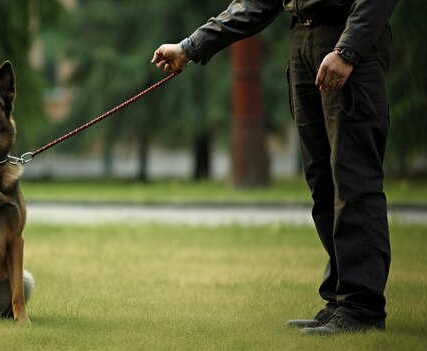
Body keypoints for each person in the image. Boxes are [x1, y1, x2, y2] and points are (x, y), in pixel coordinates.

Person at [152, 0, 398, 335]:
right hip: (303, 41)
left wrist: (348, 49)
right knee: (323, 184)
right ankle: (340, 301)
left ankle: (362, 307)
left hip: (346, 40)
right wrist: (190, 46)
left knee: (354, 180)